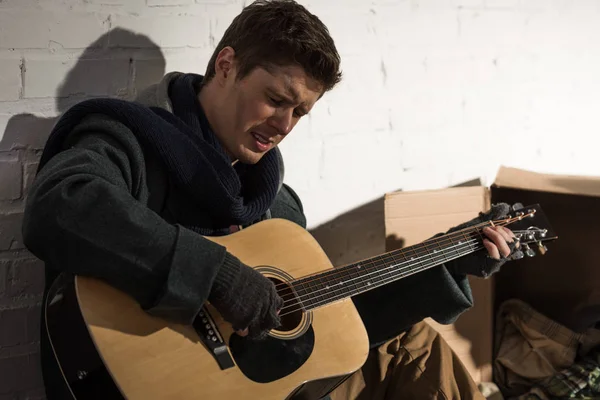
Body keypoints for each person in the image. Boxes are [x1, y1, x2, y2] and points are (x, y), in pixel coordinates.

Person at [22, 0, 522, 399]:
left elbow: (331, 334)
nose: (284, 127)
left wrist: (448, 258)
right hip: (138, 380)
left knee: (415, 343)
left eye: (300, 112)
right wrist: (215, 273)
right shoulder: (130, 139)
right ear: (226, 64)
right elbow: (61, 205)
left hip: (263, 384)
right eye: (276, 99)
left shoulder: (277, 205)